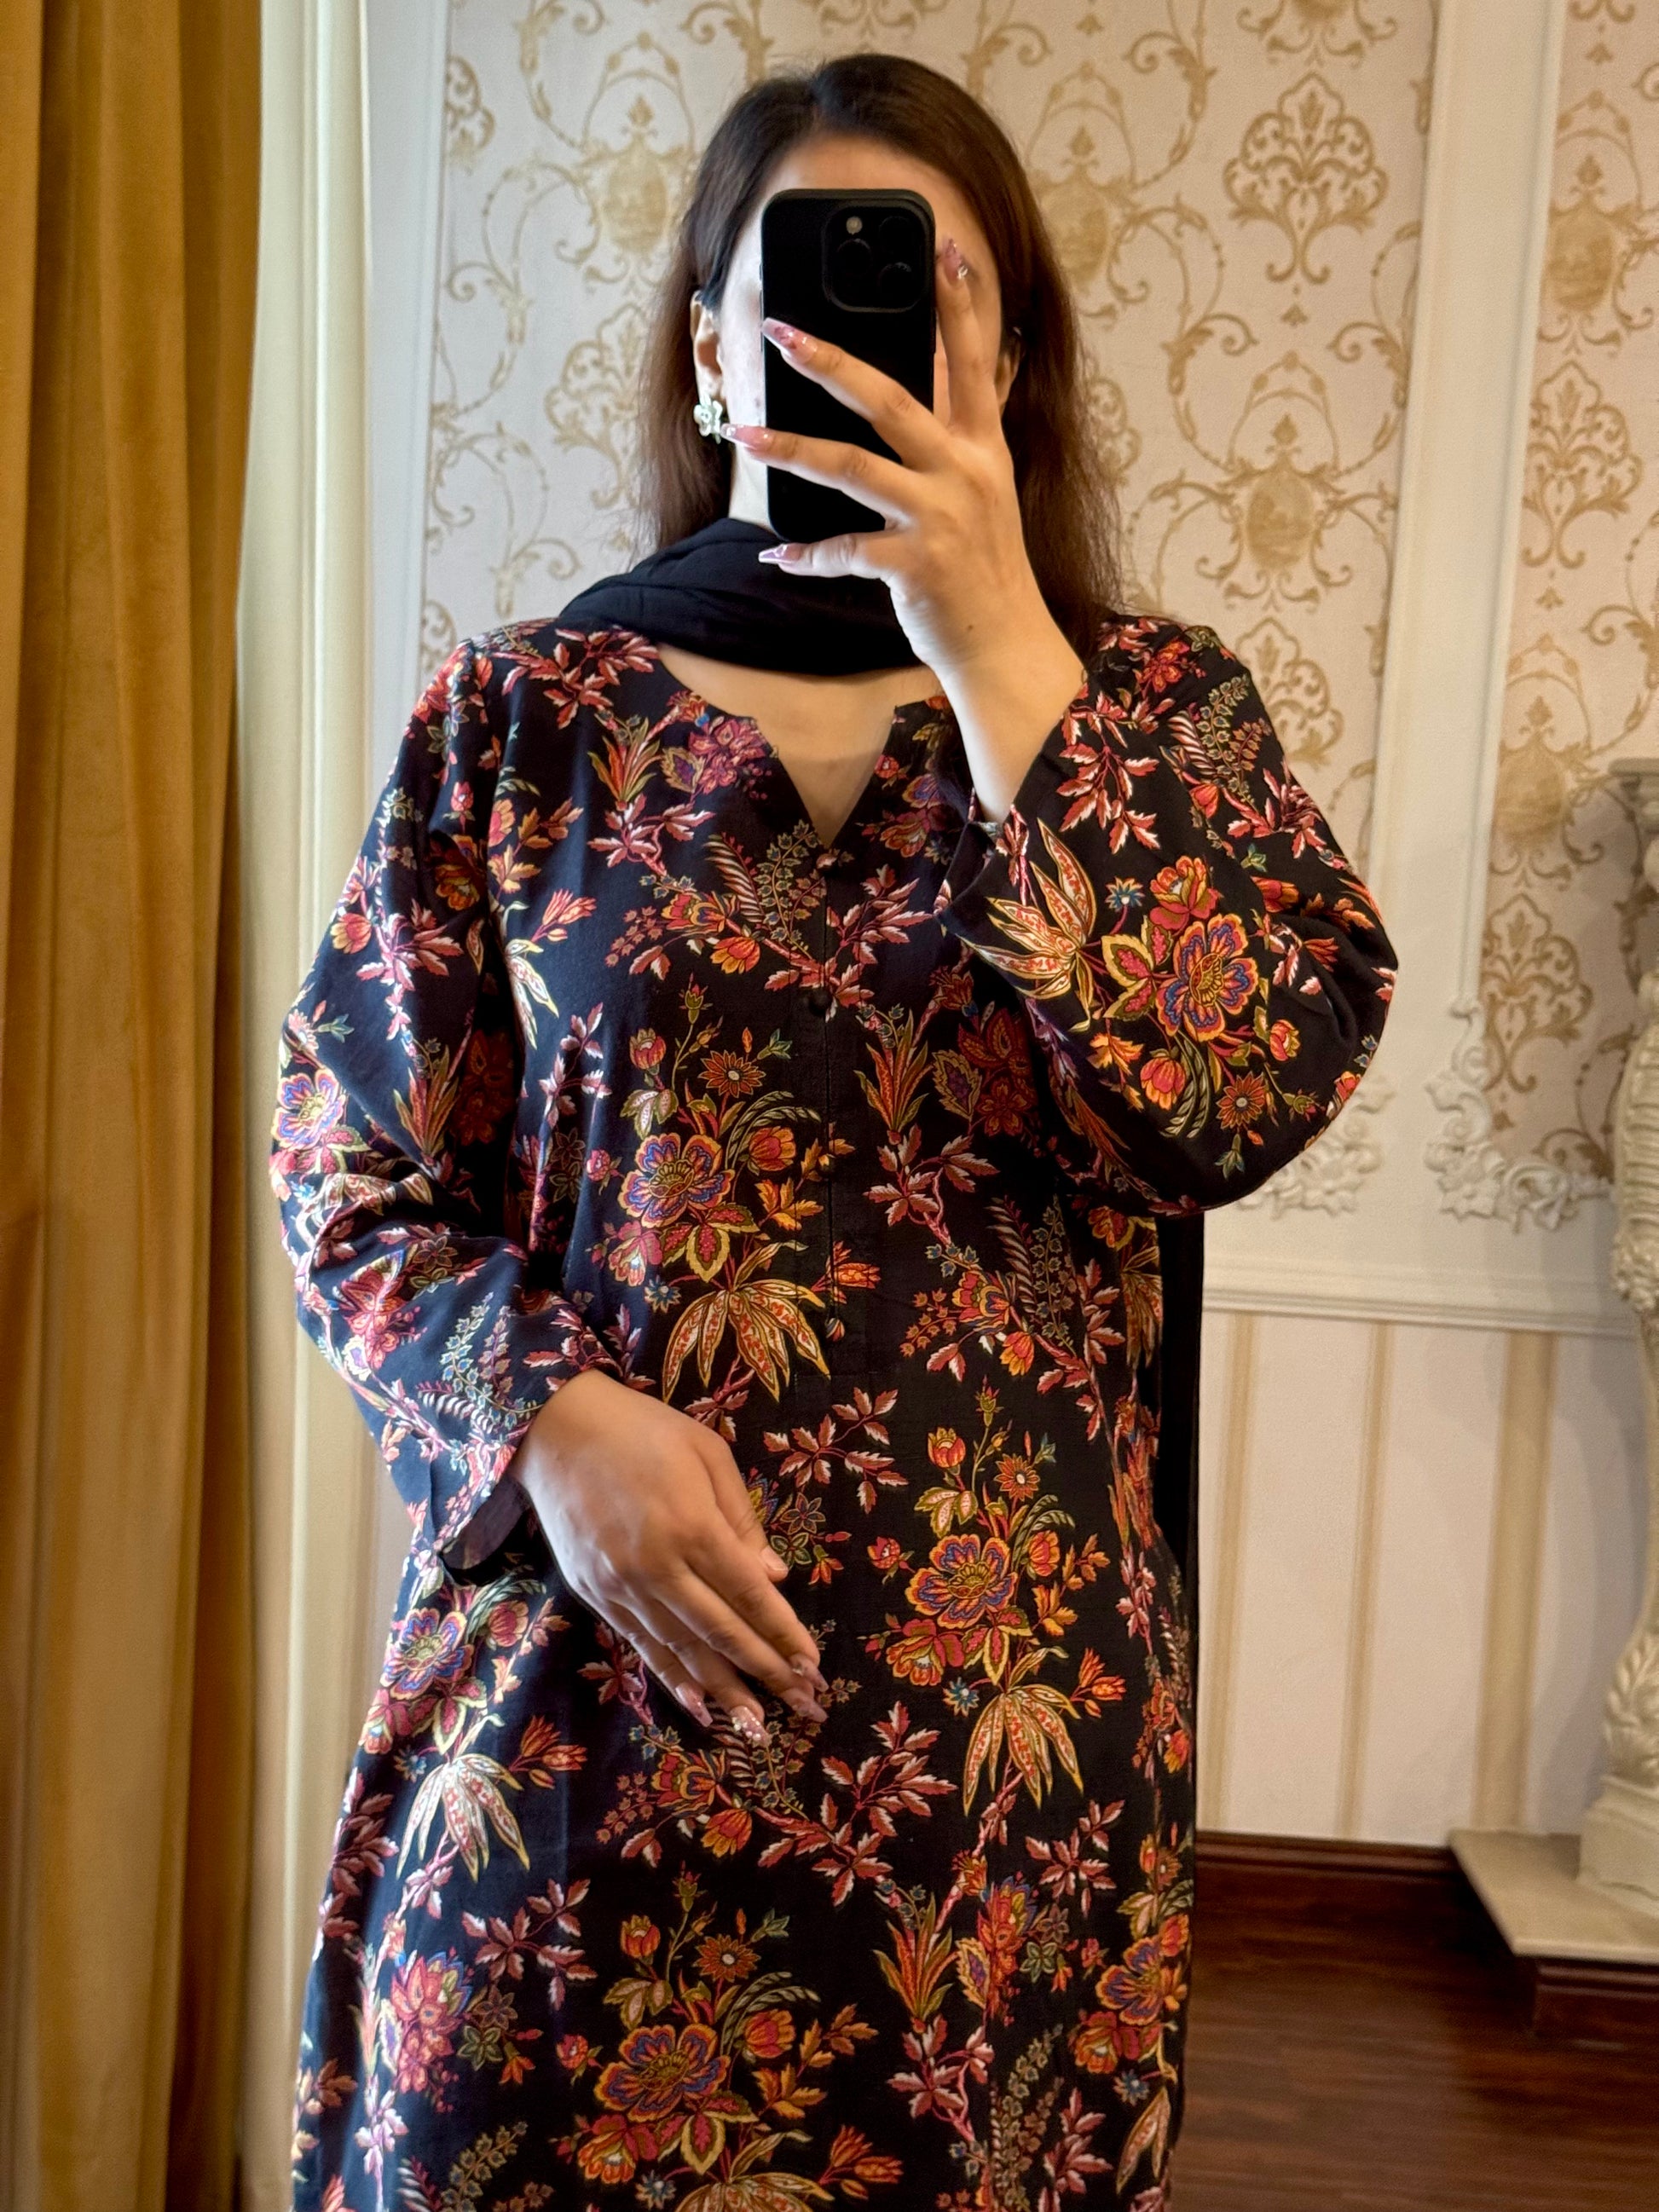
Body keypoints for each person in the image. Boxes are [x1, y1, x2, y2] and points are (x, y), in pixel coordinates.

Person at [275, 50, 1393, 2212]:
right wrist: (542, 1417)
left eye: (926, 286)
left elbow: (1244, 1080)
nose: (854, 336)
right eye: (785, 289)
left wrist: (996, 647)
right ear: (708, 353)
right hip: (576, 1741)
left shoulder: (1155, 718)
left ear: (1006, 357)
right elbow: (345, 1157)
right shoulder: (520, 718)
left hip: (998, 1791)